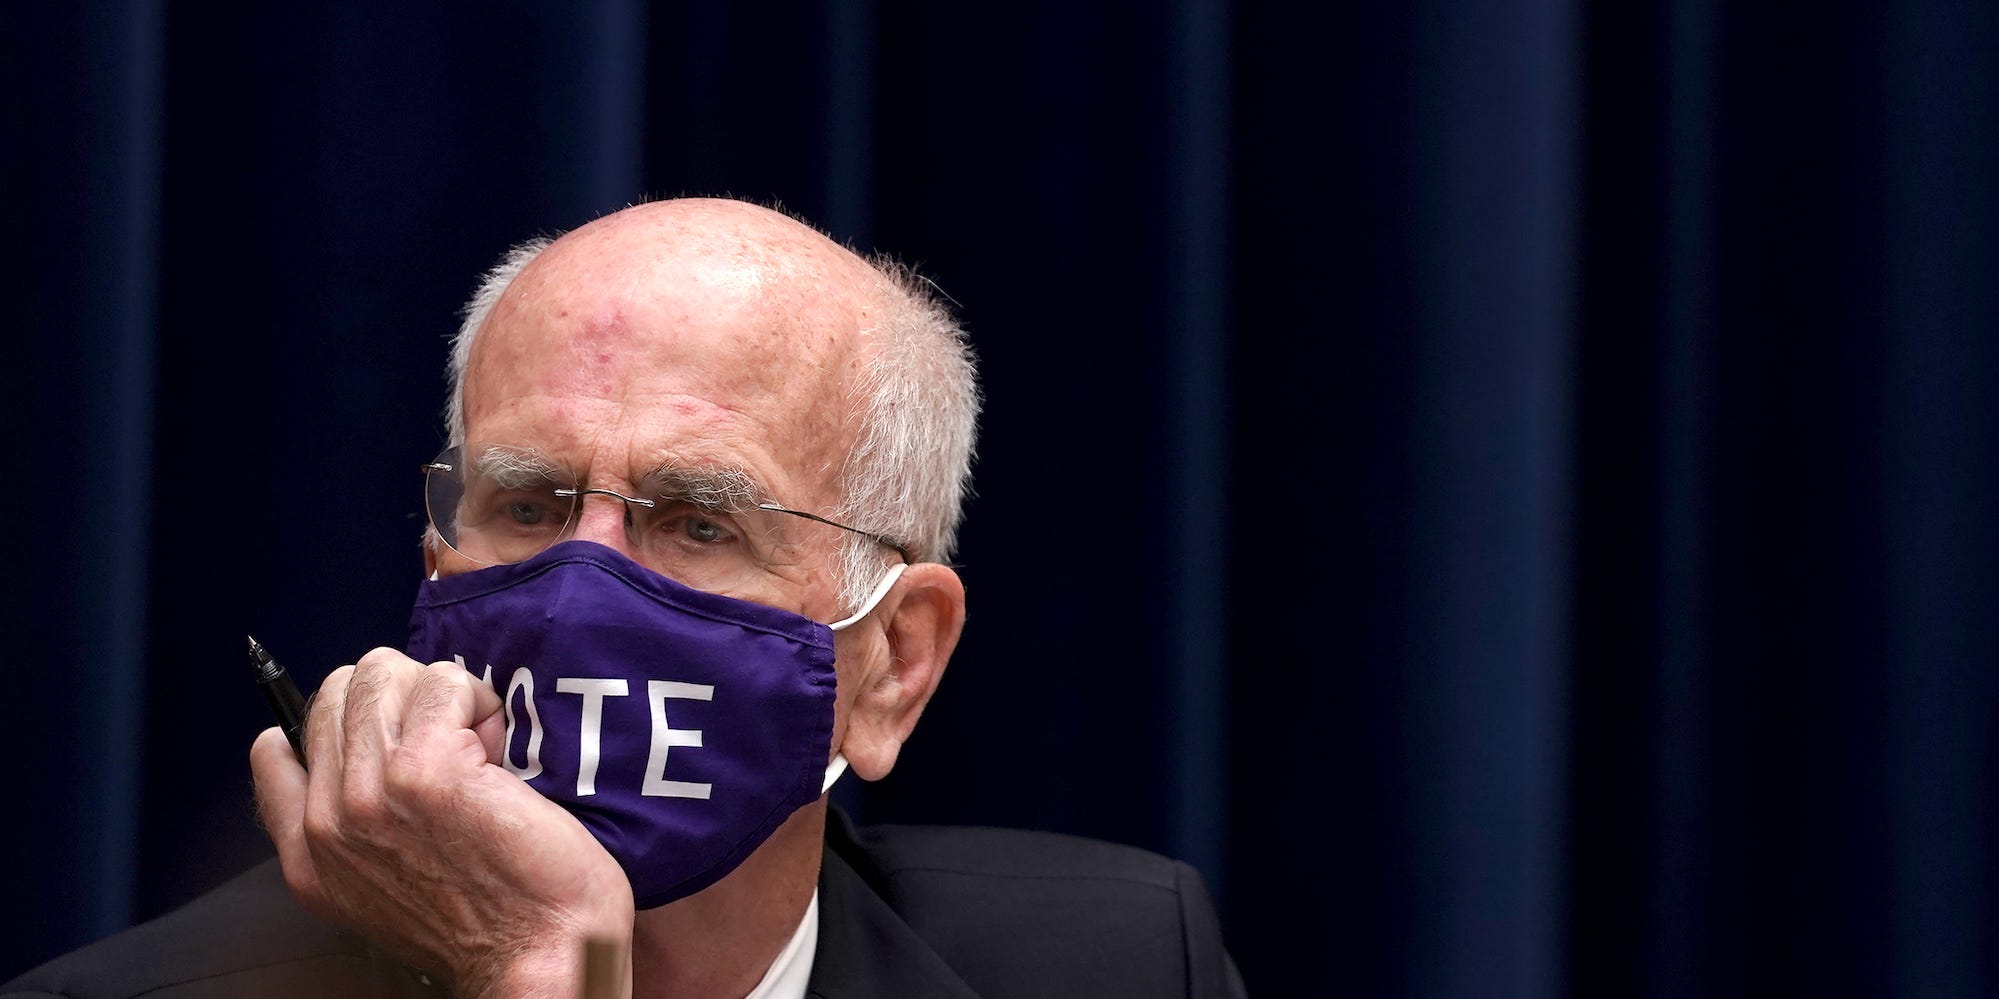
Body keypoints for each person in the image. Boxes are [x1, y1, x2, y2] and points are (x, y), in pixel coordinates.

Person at [4, 198, 1244, 998]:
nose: (581, 588)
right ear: (436, 560)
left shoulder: (1119, 963)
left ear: (896, 664)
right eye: (531, 506)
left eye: (699, 522)